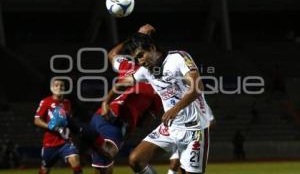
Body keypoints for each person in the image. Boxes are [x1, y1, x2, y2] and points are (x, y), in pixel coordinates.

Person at [102, 24, 212, 174]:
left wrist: (176, 108)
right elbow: (122, 84)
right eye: (136, 58)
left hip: (195, 129)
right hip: (170, 127)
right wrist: (106, 101)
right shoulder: (145, 71)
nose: (139, 61)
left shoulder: (178, 58)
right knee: (136, 159)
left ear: (152, 48)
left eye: (141, 55)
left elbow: (197, 86)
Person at [88, 24, 162, 174]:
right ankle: (78, 131)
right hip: (114, 119)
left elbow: (112, 54)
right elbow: (146, 122)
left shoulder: (127, 67)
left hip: (105, 117)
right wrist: (135, 37)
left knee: (103, 164)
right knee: (106, 157)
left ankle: (81, 132)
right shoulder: (156, 85)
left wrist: (135, 37)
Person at [34, 79, 83, 174]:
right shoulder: (46, 102)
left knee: (75, 160)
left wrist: (77, 130)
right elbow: (37, 120)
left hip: (65, 141)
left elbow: (68, 121)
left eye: (61, 85)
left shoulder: (67, 103)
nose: (59, 87)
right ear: (52, 88)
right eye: (56, 85)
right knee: (45, 169)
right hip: (50, 143)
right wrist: (49, 126)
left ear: (64, 88)